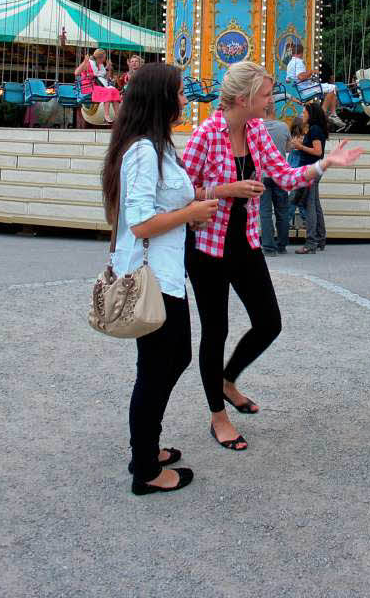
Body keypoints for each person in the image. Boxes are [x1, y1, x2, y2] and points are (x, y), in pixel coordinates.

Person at [182, 60, 362, 451]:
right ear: (243, 98)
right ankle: (218, 415)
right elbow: (180, 195)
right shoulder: (204, 135)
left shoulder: (258, 132)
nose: (271, 101)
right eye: (265, 95)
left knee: (269, 323)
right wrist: (224, 191)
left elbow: (285, 176)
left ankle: (228, 380)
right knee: (216, 331)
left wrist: (325, 163)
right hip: (207, 248)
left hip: (246, 243)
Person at [100, 63, 218, 495]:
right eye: (180, 92)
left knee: (170, 360)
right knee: (157, 368)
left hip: (168, 275)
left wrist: (207, 200)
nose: (186, 99)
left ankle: (145, 447)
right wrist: (191, 215)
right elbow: (142, 223)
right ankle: (145, 469)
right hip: (151, 278)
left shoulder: (160, 147)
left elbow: (170, 202)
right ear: (161, 99)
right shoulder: (143, 151)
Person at [290, 102, 330, 254]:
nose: (302, 115)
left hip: (311, 171)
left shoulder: (314, 129)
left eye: (305, 112)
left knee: (310, 205)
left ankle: (311, 243)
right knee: (315, 204)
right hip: (314, 170)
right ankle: (320, 238)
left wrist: (300, 147)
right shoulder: (317, 129)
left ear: (311, 114)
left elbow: (317, 151)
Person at [285, 42, 344, 131]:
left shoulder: (290, 63)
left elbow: (288, 80)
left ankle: (330, 113)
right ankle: (325, 113)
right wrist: (311, 72)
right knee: (333, 88)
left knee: (328, 92)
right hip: (306, 89)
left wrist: (308, 77)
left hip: (301, 89)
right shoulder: (299, 62)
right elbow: (300, 76)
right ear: (301, 53)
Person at [259, 102, 291, 255]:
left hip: (263, 175)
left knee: (265, 211)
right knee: (282, 210)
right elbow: (288, 148)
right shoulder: (283, 127)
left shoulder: (257, 128)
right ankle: (282, 244)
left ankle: (268, 246)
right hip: (280, 175)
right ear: (274, 110)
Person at [76, 48, 121, 122]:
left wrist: (108, 69)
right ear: (101, 57)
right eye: (104, 57)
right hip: (89, 87)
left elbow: (105, 78)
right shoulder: (88, 63)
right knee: (108, 91)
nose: (105, 59)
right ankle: (106, 116)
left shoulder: (101, 66)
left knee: (115, 91)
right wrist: (84, 62)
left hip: (99, 86)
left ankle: (117, 116)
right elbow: (76, 73)